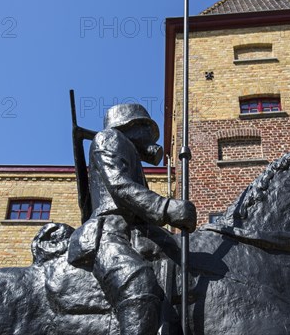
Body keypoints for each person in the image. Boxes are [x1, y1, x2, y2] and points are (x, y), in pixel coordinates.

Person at [69, 103, 197, 335]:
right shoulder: (109, 138)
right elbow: (120, 186)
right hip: (109, 230)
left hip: (136, 229)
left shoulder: (126, 147)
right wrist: (167, 207)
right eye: (148, 128)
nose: (151, 137)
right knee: (138, 284)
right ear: (132, 125)